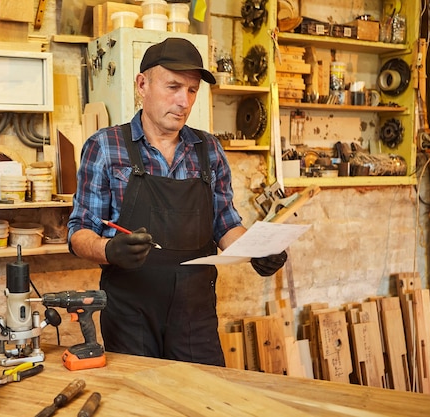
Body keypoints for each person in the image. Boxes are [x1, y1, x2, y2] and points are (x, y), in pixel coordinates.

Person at [67, 37, 287, 366]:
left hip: (194, 313)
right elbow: (78, 232)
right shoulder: (105, 146)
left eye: (192, 90)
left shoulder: (208, 149)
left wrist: (257, 251)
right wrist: (108, 250)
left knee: (203, 398)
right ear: (142, 85)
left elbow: (224, 223)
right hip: (131, 314)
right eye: (172, 87)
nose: (183, 101)